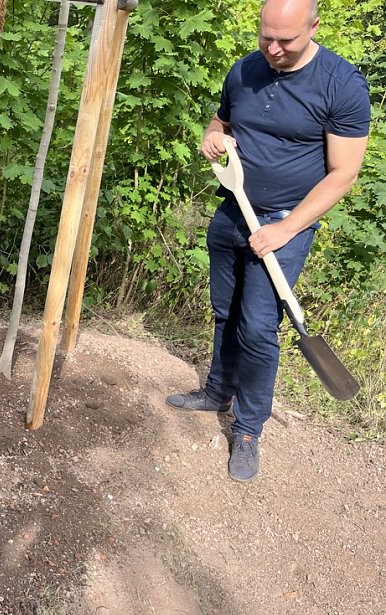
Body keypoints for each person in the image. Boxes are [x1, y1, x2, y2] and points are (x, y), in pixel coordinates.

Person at [166, 0, 369, 482]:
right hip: (232, 211)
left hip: (283, 225)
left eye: (287, 41)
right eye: (266, 38)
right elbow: (222, 124)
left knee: (257, 328)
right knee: (224, 312)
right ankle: (217, 391)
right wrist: (213, 139)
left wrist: (287, 227)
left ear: (313, 28)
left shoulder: (342, 85)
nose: (274, 49)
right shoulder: (244, 71)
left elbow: (344, 174)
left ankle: (250, 428)